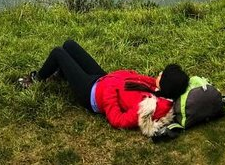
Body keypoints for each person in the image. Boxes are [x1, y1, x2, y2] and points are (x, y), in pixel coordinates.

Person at [17, 39, 189, 137]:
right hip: (103, 79)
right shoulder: (156, 89)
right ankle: (62, 74)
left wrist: (109, 94)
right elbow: (137, 81)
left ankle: (36, 79)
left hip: (91, 94)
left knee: (58, 52)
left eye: (162, 75)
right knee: (69, 45)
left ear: (165, 84)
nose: (158, 74)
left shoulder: (147, 107)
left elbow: (118, 120)